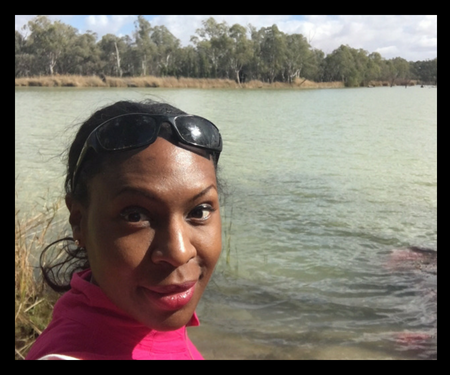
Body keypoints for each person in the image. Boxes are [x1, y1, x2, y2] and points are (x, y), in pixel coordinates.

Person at [25, 99, 223, 360]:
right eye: (135, 215)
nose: (179, 251)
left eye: (199, 211)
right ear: (78, 221)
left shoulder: (133, 310)